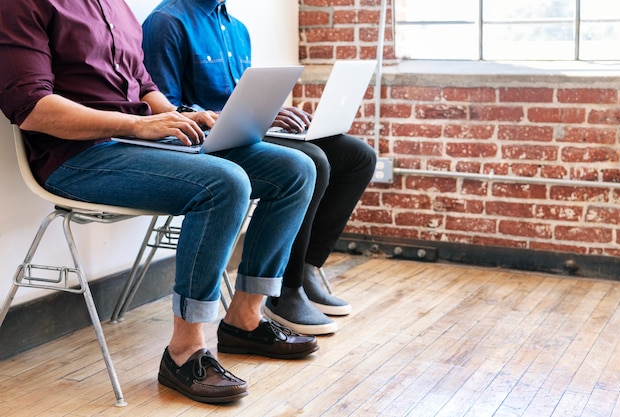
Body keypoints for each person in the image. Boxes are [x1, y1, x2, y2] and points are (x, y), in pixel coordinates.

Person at [0, 0, 320, 405]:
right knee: (224, 183)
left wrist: (185, 119)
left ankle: (245, 319)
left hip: (140, 142)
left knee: (295, 169)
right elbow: (31, 109)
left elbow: (144, 85)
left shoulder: (115, 6)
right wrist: (138, 124)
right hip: (78, 157)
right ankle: (184, 352)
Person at [142, 0, 377, 335]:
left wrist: (270, 112)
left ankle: (306, 268)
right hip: (207, 142)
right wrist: (220, 116)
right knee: (314, 162)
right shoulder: (166, 22)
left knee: (358, 156)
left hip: (248, 133)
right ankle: (284, 288)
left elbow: (243, 100)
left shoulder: (237, 29)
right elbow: (165, 108)